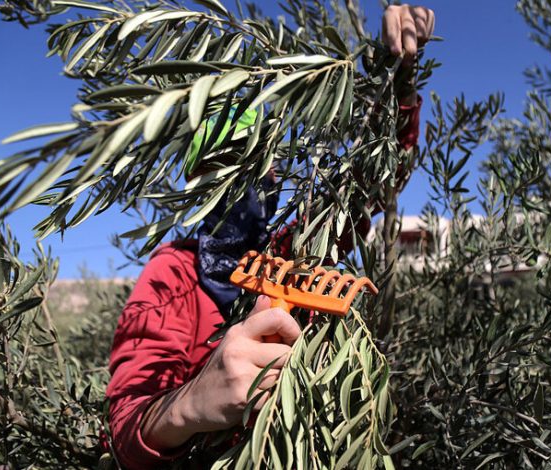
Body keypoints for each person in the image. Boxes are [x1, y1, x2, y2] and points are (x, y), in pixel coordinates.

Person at [106, 5, 435, 468]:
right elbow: (125, 427)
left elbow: (374, 183)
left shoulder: (293, 252)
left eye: (262, 167)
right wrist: (189, 404)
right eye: (227, 164)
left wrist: (395, 77)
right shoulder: (174, 271)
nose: (249, 181)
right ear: (198, 183)